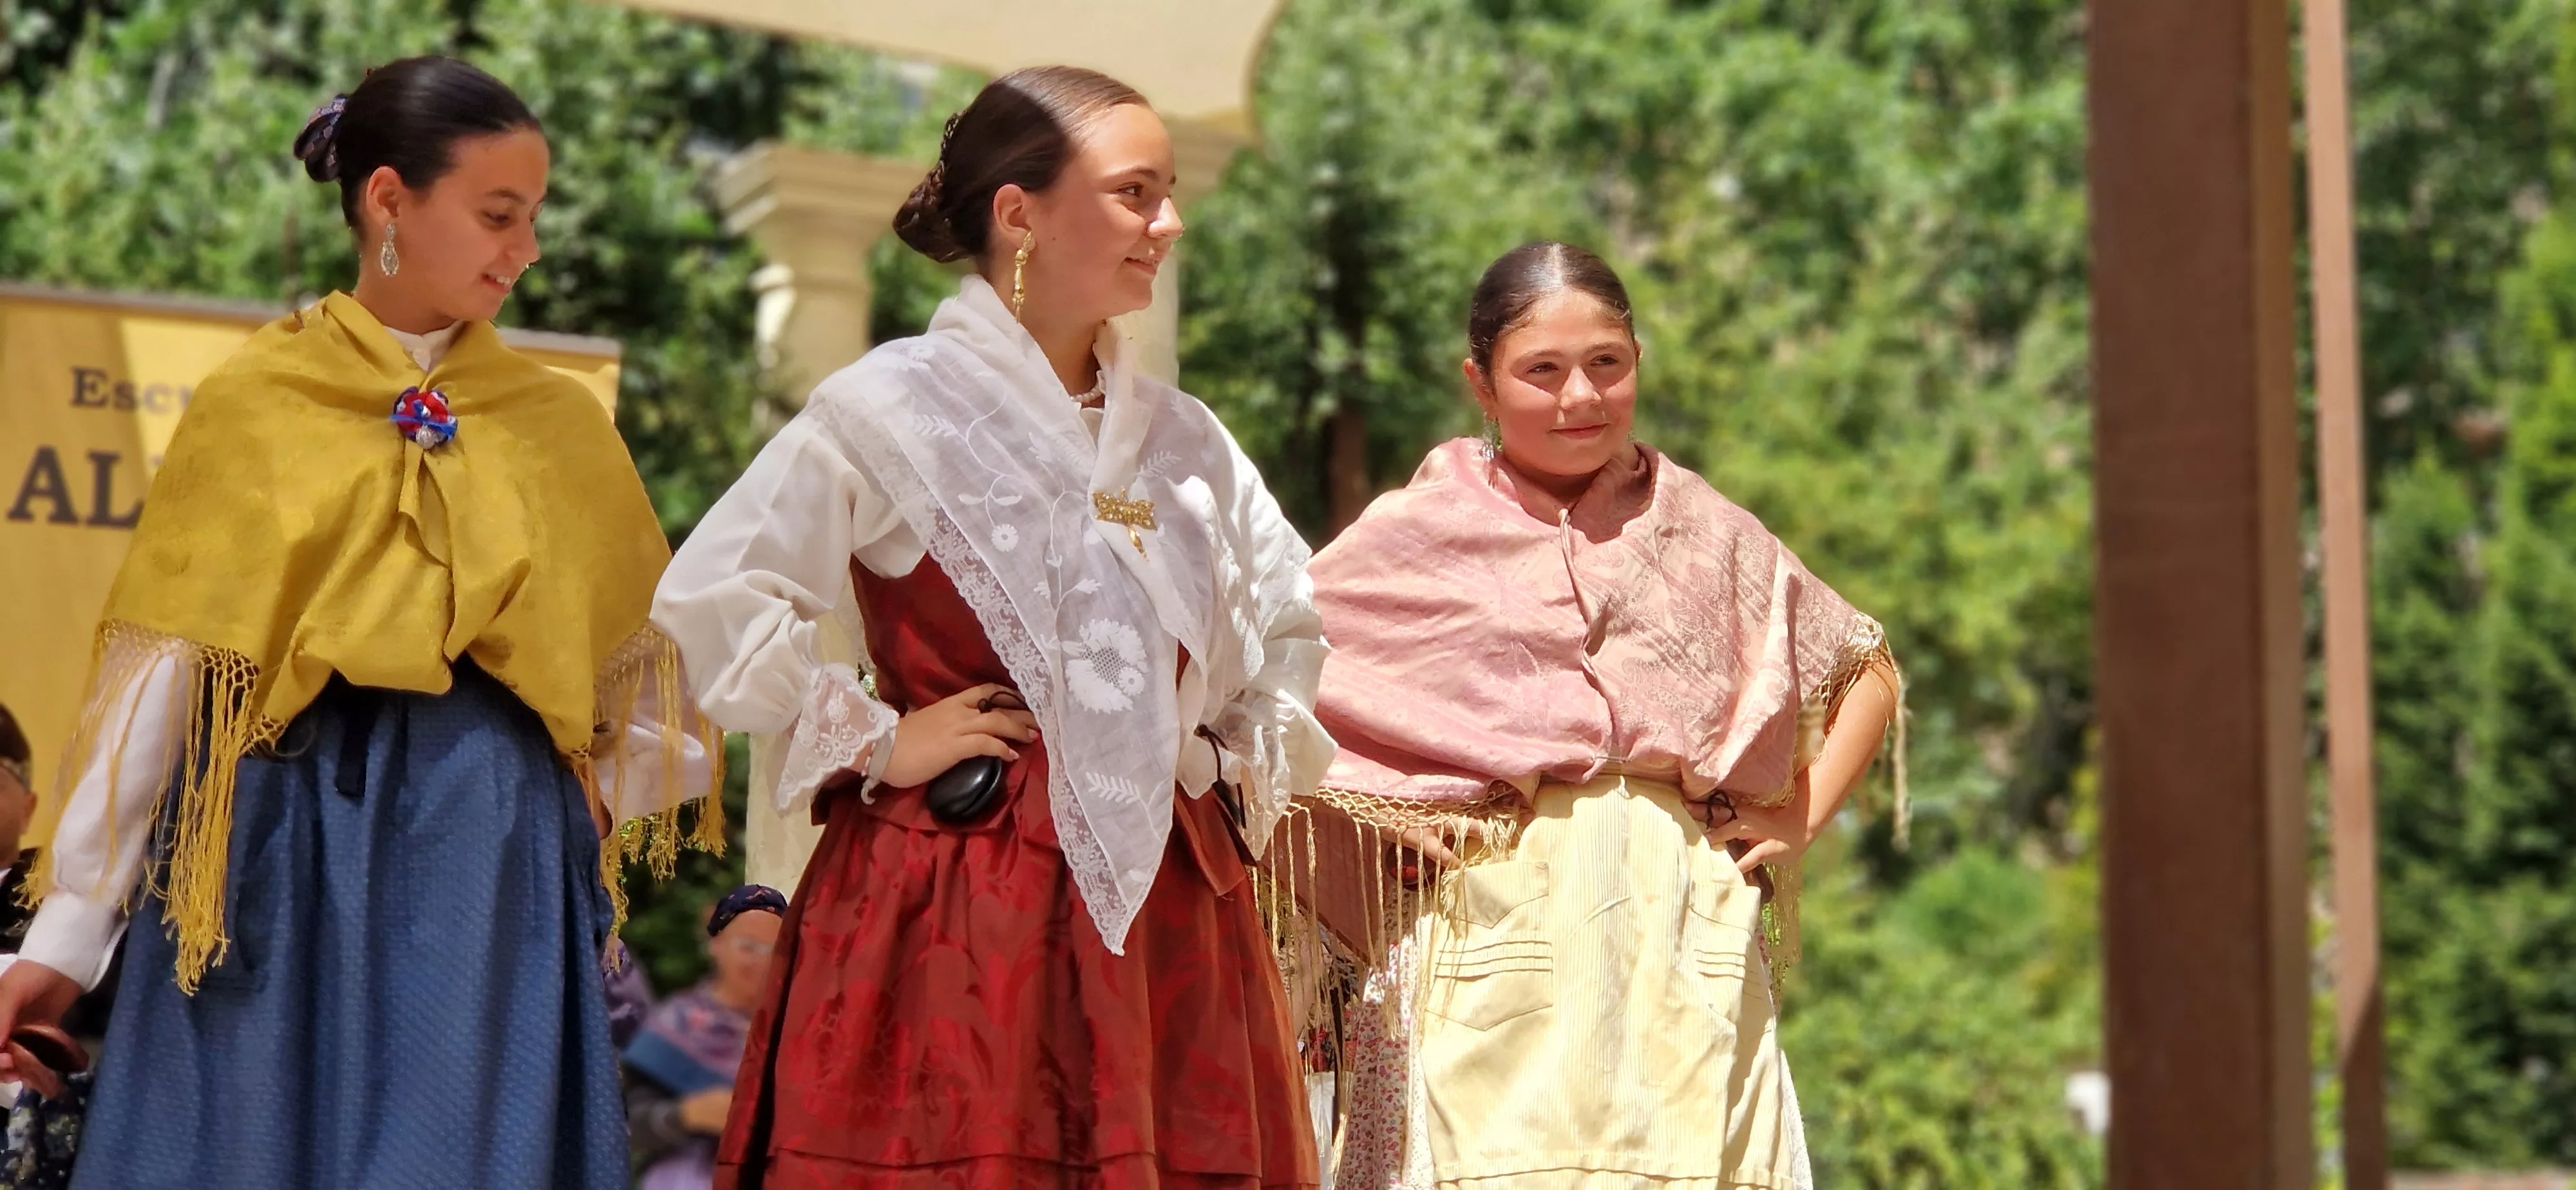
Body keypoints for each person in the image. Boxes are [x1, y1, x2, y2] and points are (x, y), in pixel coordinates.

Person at [0, 56, 722, 1189]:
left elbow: (657, 703)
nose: (525, 249)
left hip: (485, 853)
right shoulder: (257, 400)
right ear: (389, 200)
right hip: (271, 836)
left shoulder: (558, 427)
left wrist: (573, 808)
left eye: (533, 218)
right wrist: (67, 936)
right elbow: (172, 677)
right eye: (498, 215)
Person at [652, 65, 1332, 1190]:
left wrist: (1215, 753)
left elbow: (1294, 624)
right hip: (955, 913)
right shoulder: (893, 409)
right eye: (1134, 192)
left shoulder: (1185, 443)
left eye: (1165, 192)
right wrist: (878, 737)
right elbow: (715, 597)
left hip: (1169, 927)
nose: (1168, 223)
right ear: (1020, 213)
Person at [1294, 242, 1901, 1189]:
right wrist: (1372, 821)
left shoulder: (1700, 526)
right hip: (1484, 943)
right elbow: (1262, 682)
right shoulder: (1419, 532)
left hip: (1683, 939)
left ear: (1638, 364)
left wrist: (1800, 817)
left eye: (1605, 365)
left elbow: (1864, 666)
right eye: (1541, 370)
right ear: (1480, 386)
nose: (1581, 396)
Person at [624, 885, 787, 1190]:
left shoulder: (800, 1031)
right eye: (748, 947)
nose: (762, 962)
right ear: (717, 944)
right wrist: (688, 1115)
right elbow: (626, 1126)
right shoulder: (675, 1024)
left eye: (774, 950)